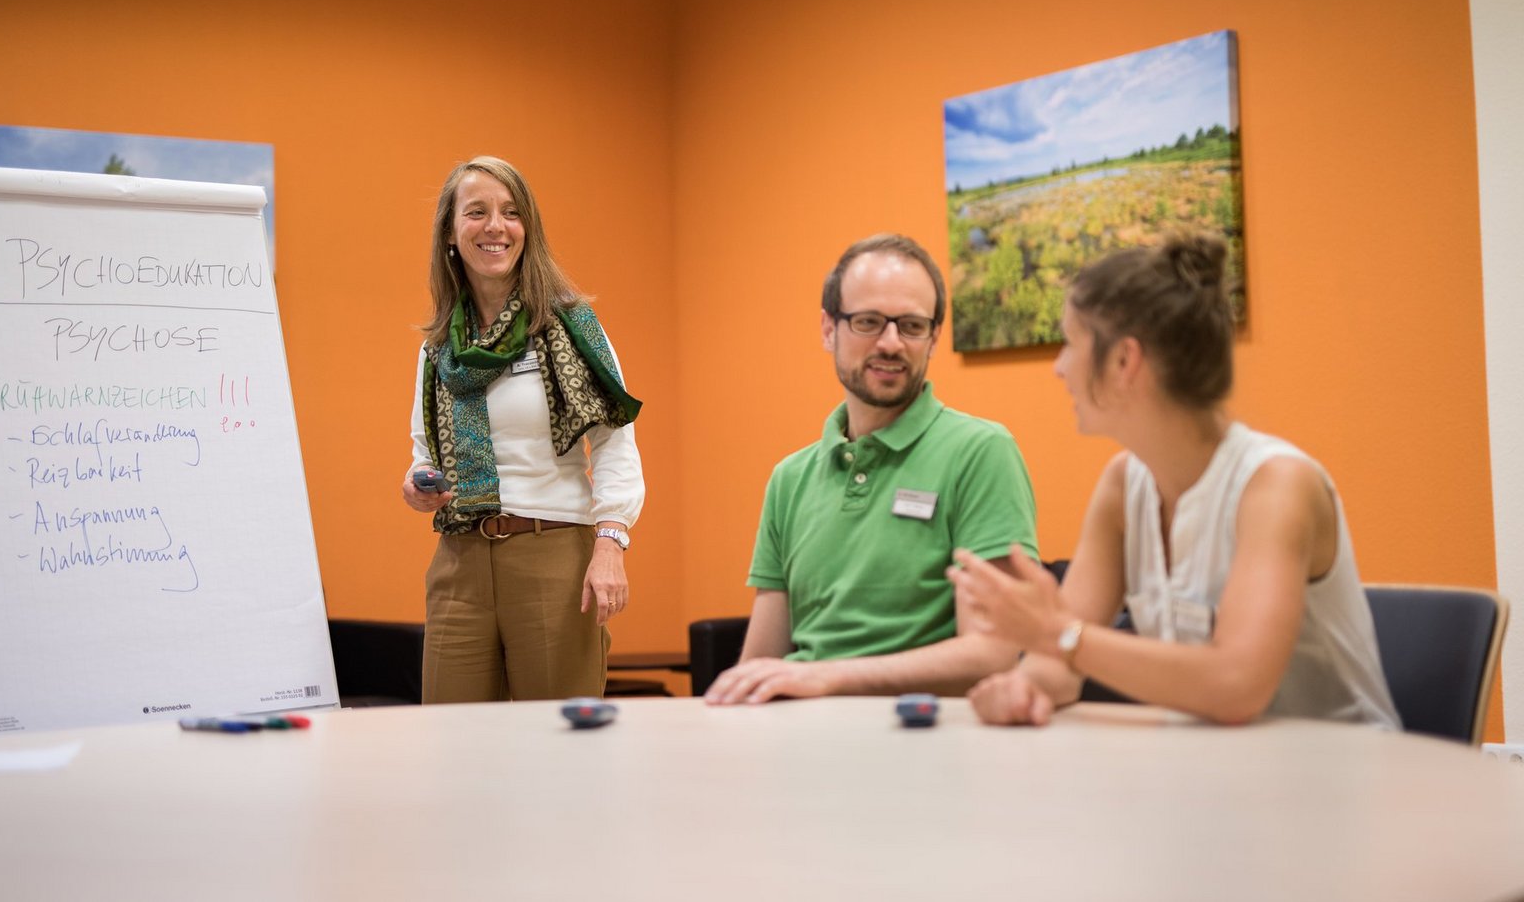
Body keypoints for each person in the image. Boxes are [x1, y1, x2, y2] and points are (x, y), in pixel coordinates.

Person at [949, 233, 1399, 728]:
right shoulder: (1123, 487)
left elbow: (1237, 686)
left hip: (1335, 780)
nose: (1059, 368)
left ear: (1124, 362)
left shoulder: (1277, 486)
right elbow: (1057, 665)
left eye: (1070, 344)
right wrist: (1023, 687)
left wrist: (1057, 634)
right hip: (1217, 776)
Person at [705, 233, 1038, 705]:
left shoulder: (981, 451)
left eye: (912, 325)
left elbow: (993, 653)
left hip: (921, 733)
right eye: (867, 322)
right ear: (828, 329)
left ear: (935, 338)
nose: (890, 343)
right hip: (800, 734)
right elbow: (761, 662)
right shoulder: (789, 478)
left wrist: (829, 677)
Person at [402, 155, 645, 703]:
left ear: (527, 229)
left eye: (512, 213)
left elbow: (613, 440)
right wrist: (420, 483)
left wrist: (610, 543)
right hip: (459, 561)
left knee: (557, 754)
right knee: (455, 745)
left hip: (552, 555)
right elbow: (424, 453)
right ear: (450, 230)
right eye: (477, 212)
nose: (495, 226)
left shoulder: (569, 325)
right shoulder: (439, 346)